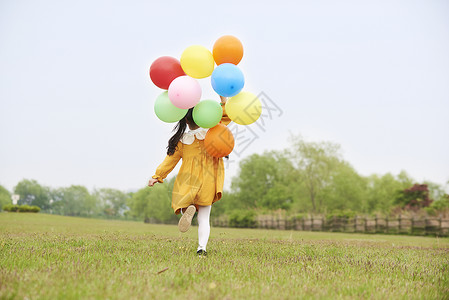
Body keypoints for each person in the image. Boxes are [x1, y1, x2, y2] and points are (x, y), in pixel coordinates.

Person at [148, 96, 231, 257]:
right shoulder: (212, 133)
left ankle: (188, 209)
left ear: (185, 121)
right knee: (205, 217)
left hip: (189, 180)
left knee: (187, 202)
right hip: (208, 179)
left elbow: (169, 161)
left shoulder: (181, 141)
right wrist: (223, 99)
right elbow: (226, 117)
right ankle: (202, 249)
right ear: (202, 116)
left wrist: (157, 176)